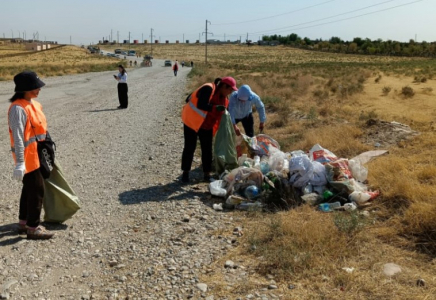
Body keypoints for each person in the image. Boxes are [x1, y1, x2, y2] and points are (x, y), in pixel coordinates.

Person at [8, 71, 54, 240]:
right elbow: (18, 138)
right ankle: (33, 228)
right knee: (36, 191)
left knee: (29, 189)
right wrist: (20, 162)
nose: (39, 89)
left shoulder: (33, 104)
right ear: (25, 89)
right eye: (36, 87)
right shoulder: (17, 109)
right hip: (27, 158)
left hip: (38, 154)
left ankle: (23, 223)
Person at [181, 77, 238, 183]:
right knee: (190, 147)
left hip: (206, 125)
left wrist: (233, 127)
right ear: (224, 86)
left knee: (207, 149)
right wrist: (214, 108)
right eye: (230, 90)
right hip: (192, 122)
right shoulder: (208, 88)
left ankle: (207, 175)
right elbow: (200, 104)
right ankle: (185, 173)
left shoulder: (224, 100)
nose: (230, 92)